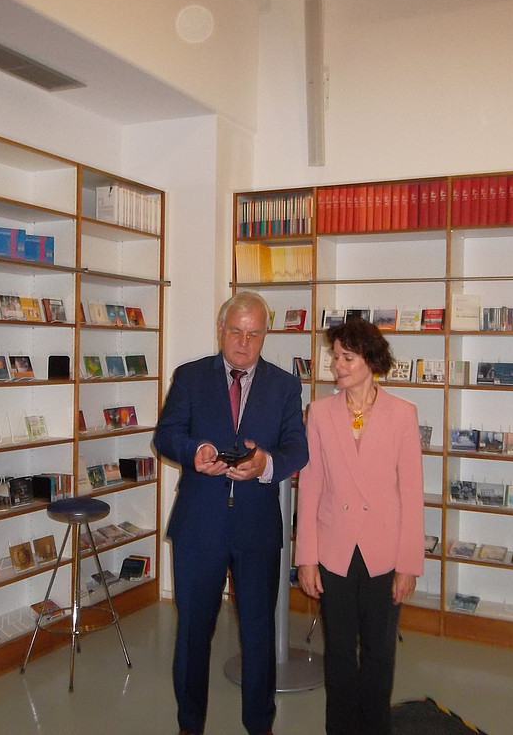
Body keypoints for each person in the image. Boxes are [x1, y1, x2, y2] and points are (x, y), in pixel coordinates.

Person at [154, 292, 308, 735]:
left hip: (257, 528)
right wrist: (194, 451)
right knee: (192, 633)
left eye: (254, 333)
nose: (243, 342)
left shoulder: (284, 385)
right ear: (220, 329)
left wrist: (266, 465)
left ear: (265, 335)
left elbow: (297, 448)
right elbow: (166, 436)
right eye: (236, 331)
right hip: (199, 526)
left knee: (259, 635)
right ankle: (189, 725)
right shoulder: (190, 377)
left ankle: (260, 725)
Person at [295, 318, 424, 735]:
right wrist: (306, 558)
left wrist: (409, 565)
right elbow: (310, 488)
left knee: (379, 653)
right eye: (335, 357)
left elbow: (412, 494)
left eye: (347, 358)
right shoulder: (319, 412)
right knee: (338, 653)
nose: (338, 365)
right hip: (334, 551)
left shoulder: (403, 414)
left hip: (383, 553)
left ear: (370, 360)